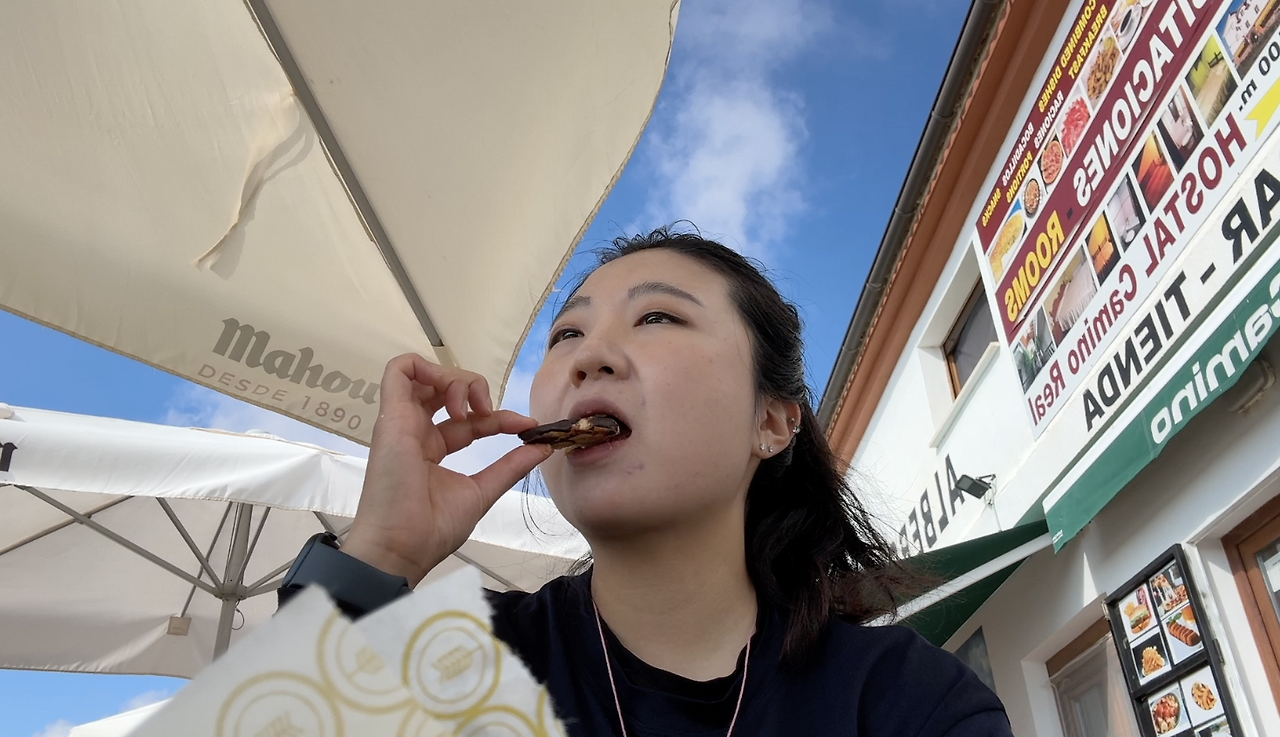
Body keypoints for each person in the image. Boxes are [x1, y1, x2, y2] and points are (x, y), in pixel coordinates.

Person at [279, 227, 1013, 736]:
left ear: (771, 421)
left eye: (656, 317)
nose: (587, 356)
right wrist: (382, 549)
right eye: (567, 334)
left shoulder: (909, 704)